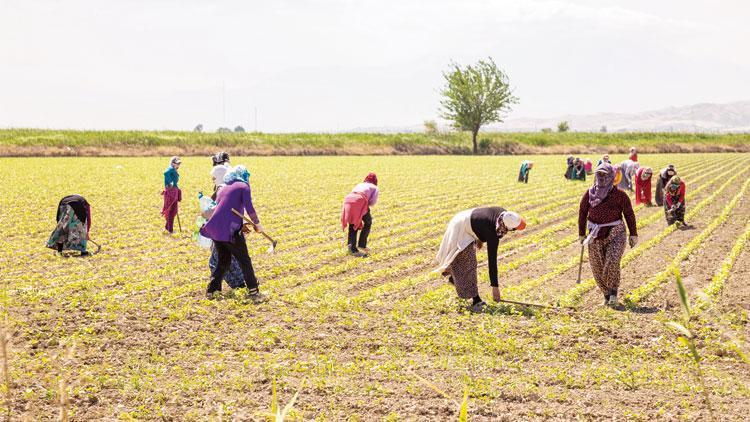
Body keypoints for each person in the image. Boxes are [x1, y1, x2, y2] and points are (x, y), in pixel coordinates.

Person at [436, 208, 526, 312]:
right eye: (514, 229)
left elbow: (484, 221)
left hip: (466, 219)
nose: (513, 231)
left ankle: (455, 279)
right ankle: (476, 301)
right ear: (507, 227)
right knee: (469, 262)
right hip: (460, 226)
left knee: (464, 260)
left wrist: (479, 236)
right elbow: (492, 262)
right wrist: (495, 288)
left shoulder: (503, 216)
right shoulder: (493, 233)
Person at [200, 166, 267, 301]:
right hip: (229, 231)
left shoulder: (223, 187)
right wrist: (257, 224)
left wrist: (241, 224)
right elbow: (250, 208)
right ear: (244, 176)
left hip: (215, 228)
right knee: (244, 260)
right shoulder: (243, 186)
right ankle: (254, 291)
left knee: (224, 260)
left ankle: (211, 291)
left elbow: (222, 211)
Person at [578, 163, 638, 307]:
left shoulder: (620, 195)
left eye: (606, 174)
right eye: (599, 174)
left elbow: (629, 214)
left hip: (616, 232)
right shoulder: (589, 193)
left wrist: (633, 234)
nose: (602, 177)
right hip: (595, 234)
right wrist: (581, 234)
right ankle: (606, 295)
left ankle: (613, 294)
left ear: (612, 176)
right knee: (597, 266)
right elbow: (582, 212)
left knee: (612, 262)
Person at [204, 154, 245, 289]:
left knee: (219, 259)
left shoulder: (224, 180)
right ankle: (236, 284)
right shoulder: (232, 177)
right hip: (231, 225)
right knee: (230, 257)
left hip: (224, 227)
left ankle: (231, 285)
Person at [341, 173, 379, 257]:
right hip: (360, 200)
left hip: (348, 199)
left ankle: (351, 247)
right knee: (368, 222)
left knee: (353, 223)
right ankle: (361, 245)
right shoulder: (375, 187)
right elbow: (372, 202)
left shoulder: (360, 184)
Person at [162, 156, 182, 233]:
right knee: (171, 211)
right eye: (177, 164)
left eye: (179, 164)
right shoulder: (170, 169)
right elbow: (165, 173)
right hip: (171, 192)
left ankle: (168, 227)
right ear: (172, 163)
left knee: (172, 211)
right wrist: (171, 182)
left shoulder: (173, 169)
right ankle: (170, 229)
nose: (178, 165)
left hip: (174, 191)